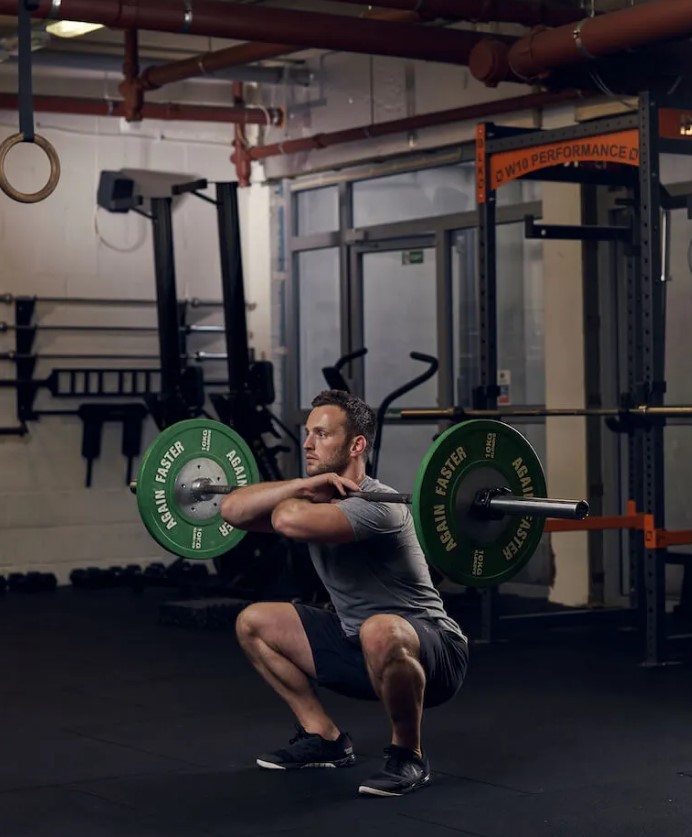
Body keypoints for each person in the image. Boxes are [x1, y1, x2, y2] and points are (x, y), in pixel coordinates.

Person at [220, 389, 468, 798]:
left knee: (380, 629)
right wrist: (303, 484)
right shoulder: (315, 493)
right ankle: (324, 737)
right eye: (307, 433)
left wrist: (297, 495)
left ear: (356, 445)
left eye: (321, 434)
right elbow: (232, 510)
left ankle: (409, 755)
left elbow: (288, 522)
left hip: (434, 651)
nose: (307, 444)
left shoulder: (379, 506)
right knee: (254, 622)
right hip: (358, 641)